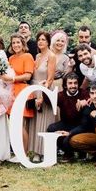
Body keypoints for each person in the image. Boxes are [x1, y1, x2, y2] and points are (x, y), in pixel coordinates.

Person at [28, 31, 58, 161]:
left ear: (48, 42)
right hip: (34, 89)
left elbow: (50, 79)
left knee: (44, 121)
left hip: (45, 90)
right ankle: (35, 151)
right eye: (39, 39)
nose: (40, 42)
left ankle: (44, 151)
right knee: (35, 122)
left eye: (43, 40)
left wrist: (42, 96)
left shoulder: (51, 56)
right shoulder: (37, 56)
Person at [46, 73, 88, 162]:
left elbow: (91, 99)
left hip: (80, 125)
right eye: (70, 83)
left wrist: (86, 102)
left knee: (73, 136)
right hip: (66, 123)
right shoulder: (61, 95)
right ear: (65, 85)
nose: (73, 86)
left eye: (75, 83)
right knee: (51, 129)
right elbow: (49, 101)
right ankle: (68, 153)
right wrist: (45, 89)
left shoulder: (84, 93)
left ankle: (82, 152)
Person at [6, 33, 35, 158]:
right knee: (13, 123)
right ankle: (18, 151)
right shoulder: (11, 58)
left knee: (20, 123)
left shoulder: (27, 56)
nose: (16, 45)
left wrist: (12, 79)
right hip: (11, 91)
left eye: (18, 42)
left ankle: (24, 153)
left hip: (22, 90)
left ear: (23, 44)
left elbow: (28, 76)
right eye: (13, 43)